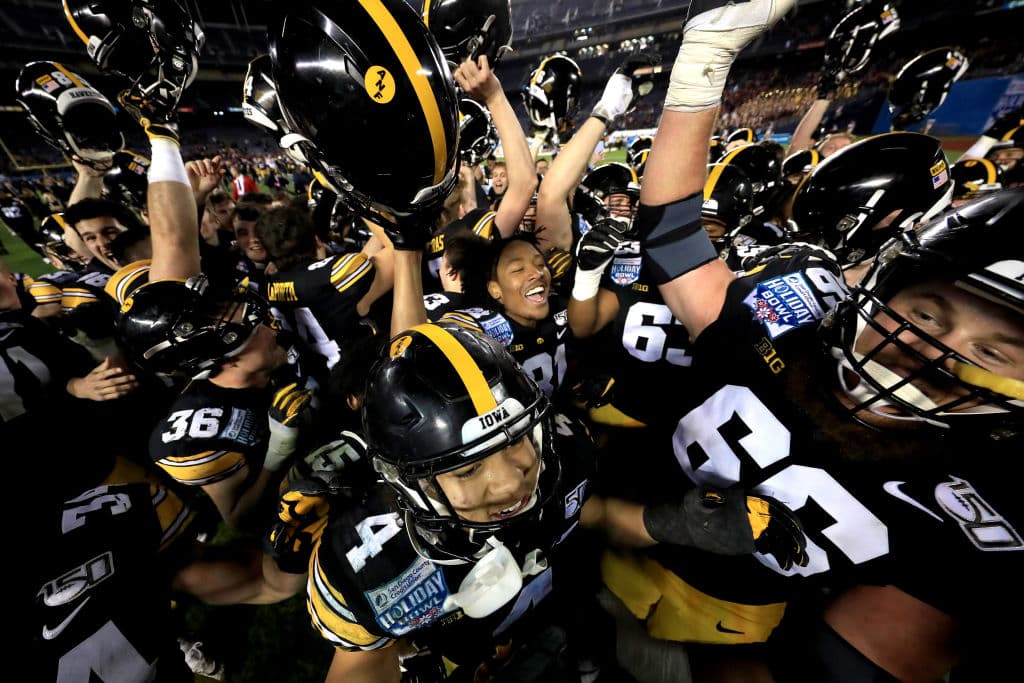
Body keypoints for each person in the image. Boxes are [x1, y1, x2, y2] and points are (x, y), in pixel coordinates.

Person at [614, 1, 1024, 681]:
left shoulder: (980, 496)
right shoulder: (788, 316)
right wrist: (701, 63)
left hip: (739, 633)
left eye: (997, 351)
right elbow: (672, 237)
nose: (936, 352)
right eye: (928, 313)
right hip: (626, 553)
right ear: (886, 282)